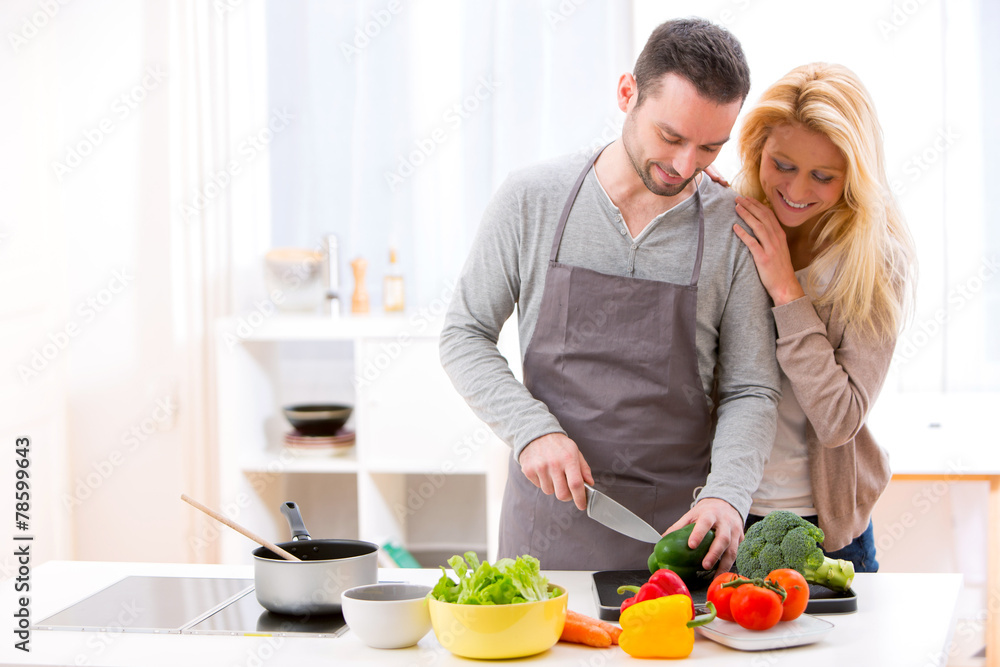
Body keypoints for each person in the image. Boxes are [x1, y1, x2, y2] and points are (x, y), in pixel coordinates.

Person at [439, 18, 781, 572]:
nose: (685, 166)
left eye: (709, 147)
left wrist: (728, 494)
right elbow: (464, 334)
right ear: (627, 93)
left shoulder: (731, 229)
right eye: (670, 137)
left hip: (679, 538)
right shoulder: (532, 200)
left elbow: (751, 389)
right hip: (547, 526)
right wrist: (531, 431)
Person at [728, 62, 917, 571]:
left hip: (826, 530)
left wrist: (787, 290)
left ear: (853, 176)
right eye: (782, 165)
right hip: (726, 513)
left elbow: (839, 420)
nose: (796, 190)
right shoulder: (730, 226)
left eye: (822, 176)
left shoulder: (875, 262)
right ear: (757, 149)